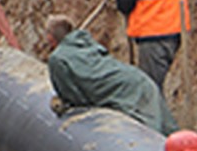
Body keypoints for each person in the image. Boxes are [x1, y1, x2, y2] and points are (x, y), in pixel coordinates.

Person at [42, 13, 177, 135]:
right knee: (166, 131)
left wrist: (64, 104)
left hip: (124, 92)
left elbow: (75, 98)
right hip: (138, 78)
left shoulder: (58, 59)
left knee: (149, 134)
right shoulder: (85, 41)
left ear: (50, 37)